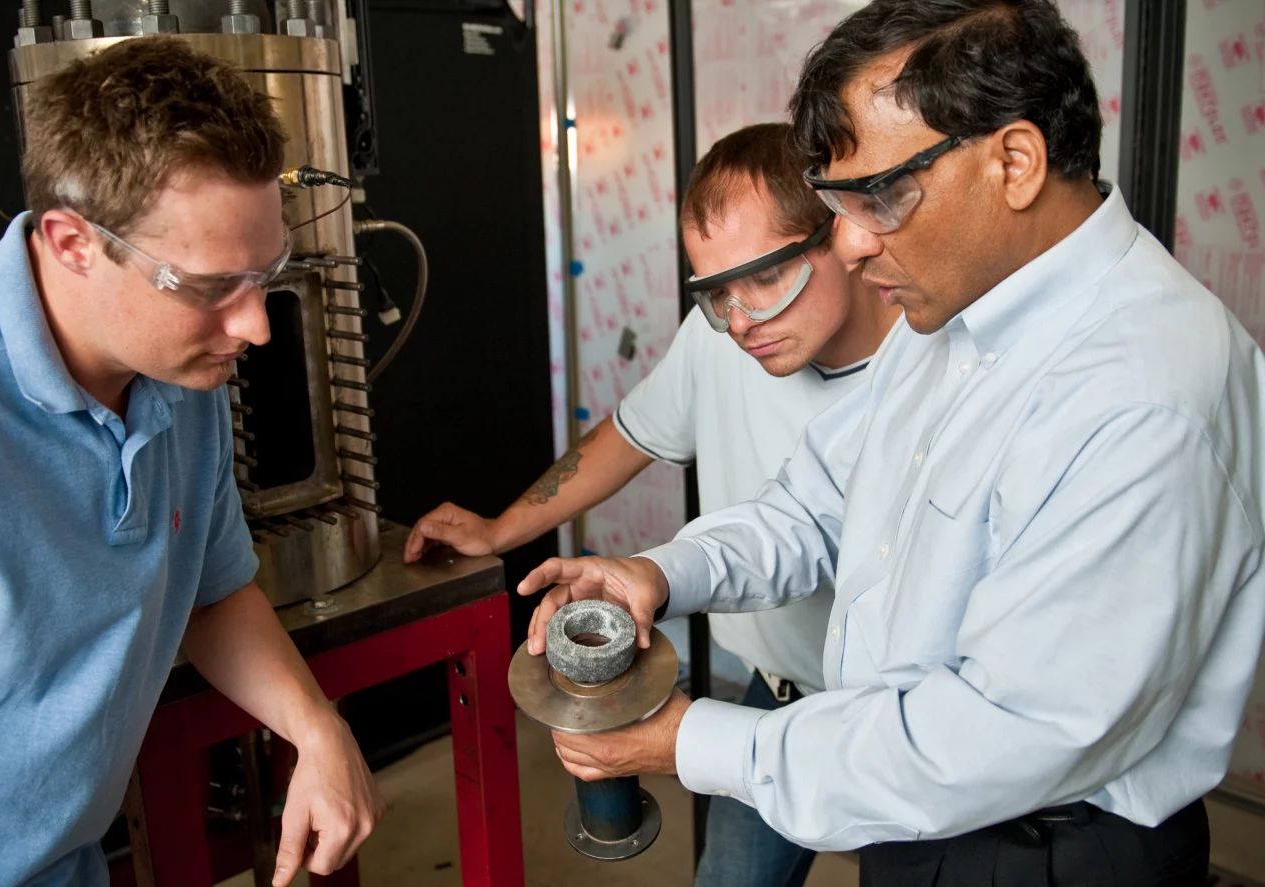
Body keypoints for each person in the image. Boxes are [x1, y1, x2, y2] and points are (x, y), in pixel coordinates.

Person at [518, 1, 1265, 884]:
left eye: (879, 195)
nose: (855, 244)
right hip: (915, 820)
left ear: (1014, 161)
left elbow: (997, 735)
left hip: (1045, 848)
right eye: (840, 203)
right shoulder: (946, 316)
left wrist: (698, 742)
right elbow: (816, 505)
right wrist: (662, 573)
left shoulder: (1144, 391)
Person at [0, 38, 382, 887]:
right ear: (72, 241)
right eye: (209, 286)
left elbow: (213, 590)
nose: (256, 326)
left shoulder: (179, 375)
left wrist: (316, 727)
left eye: (265, 274)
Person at [405, 122, 898, 886]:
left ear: (845, 231)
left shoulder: (925, 374)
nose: (740, 321)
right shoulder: (728, 338)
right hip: (770, 698)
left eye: (764, 278)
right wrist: (506, 528)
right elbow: (630, 438)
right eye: (715, 293)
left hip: (890, 718)